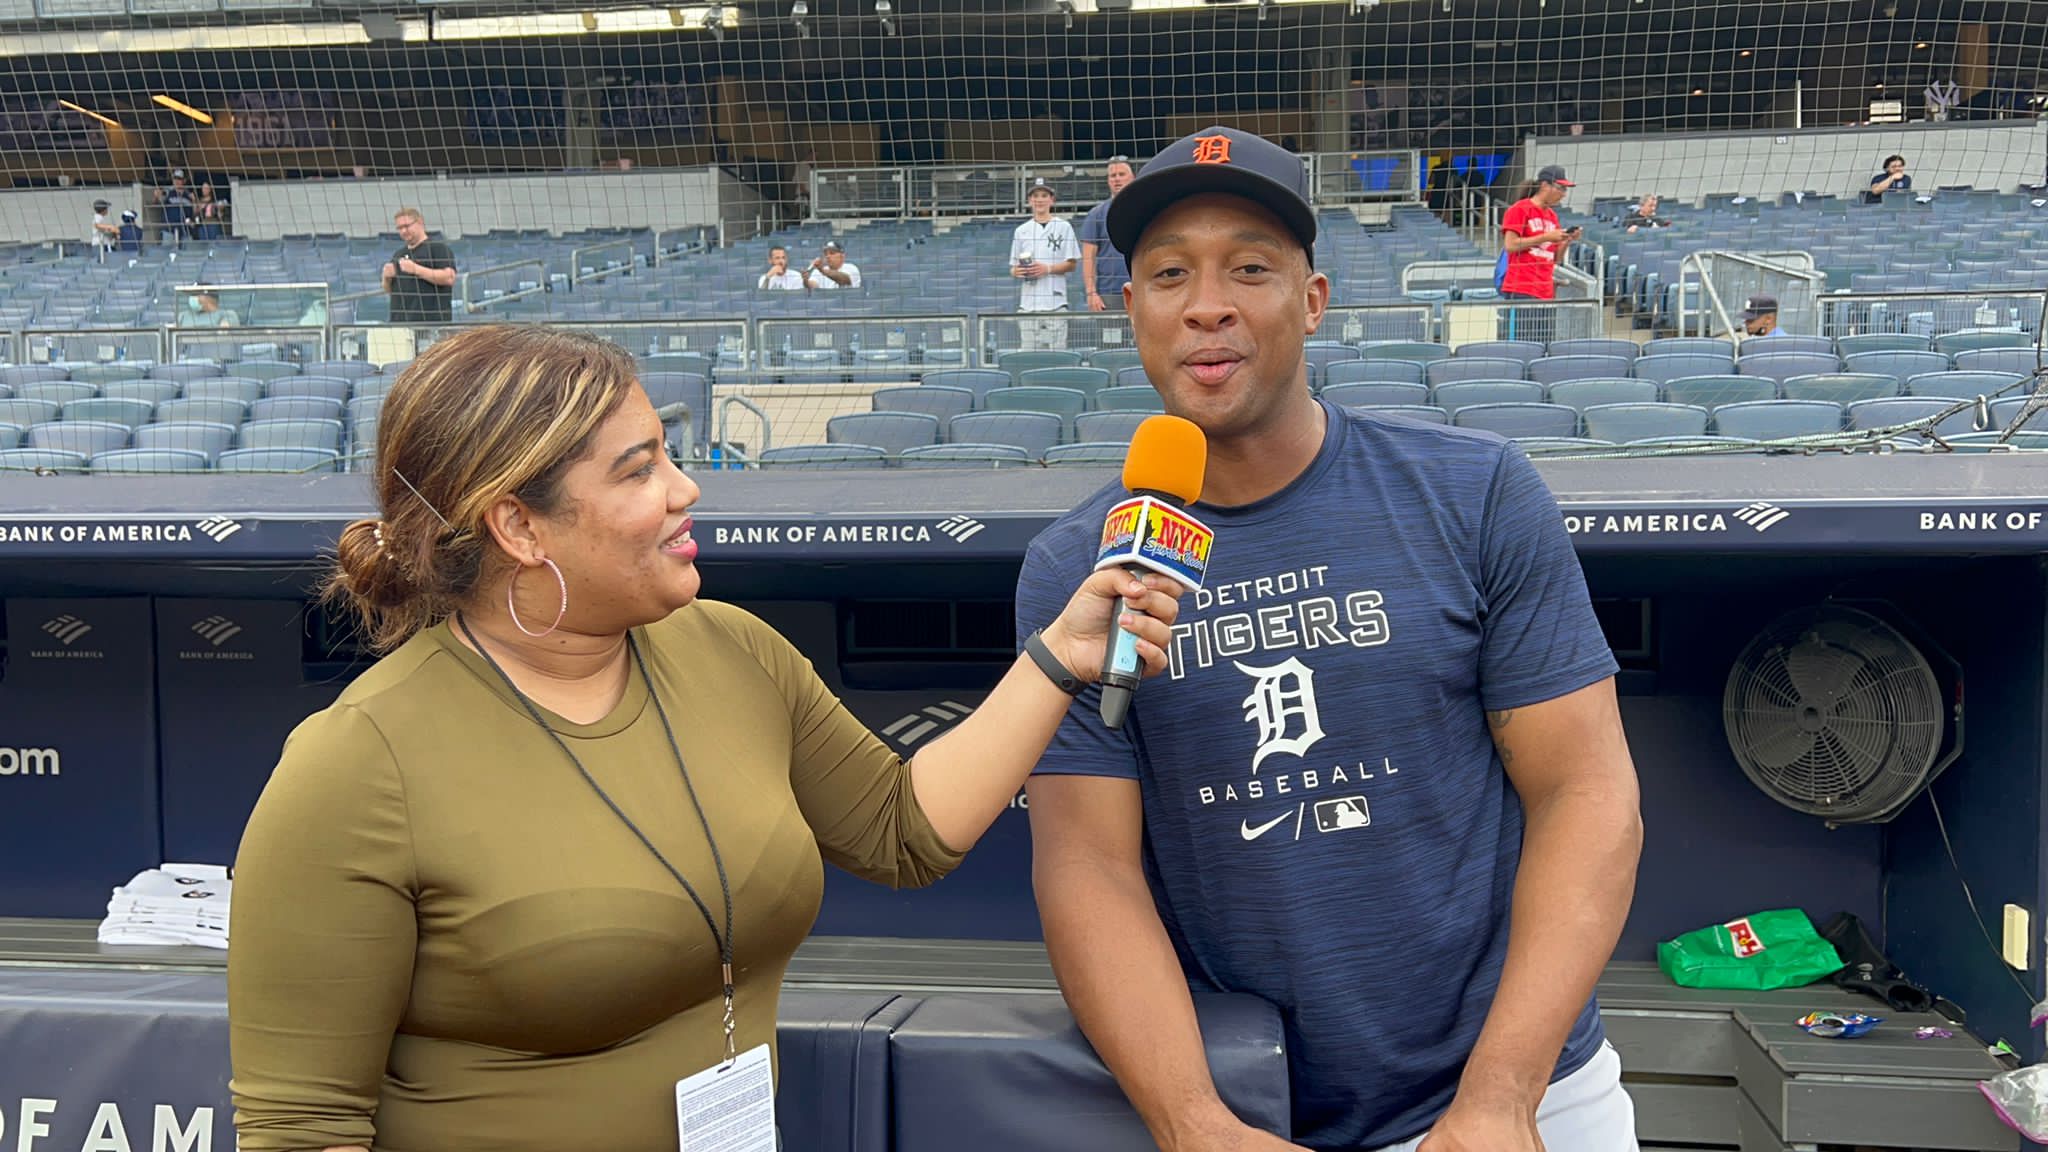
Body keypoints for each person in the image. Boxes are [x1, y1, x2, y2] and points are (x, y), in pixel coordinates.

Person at [227, 324, 1183, 1152]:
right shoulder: (357, 762)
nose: (689, 489)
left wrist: (1060, 654)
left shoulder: (731, 650)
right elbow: (301, 1127)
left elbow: (903, 831)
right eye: (639, 469)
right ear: (518, 524)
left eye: (669, 454)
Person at [1016, 127, 1644, 1152]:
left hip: (1524, 1097)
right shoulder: (1076, 569)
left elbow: (1587, 795)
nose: (1206, 303)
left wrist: (1499, 1100)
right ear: (1130, 311)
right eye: (1168, 273)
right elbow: (1088, 867)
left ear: (1310, 301)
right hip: (1251, 1110)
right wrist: (1190, 1123)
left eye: (1249, 268)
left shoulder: (1473, 490)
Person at [1499, 165, 1579, 345]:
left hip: (1545, 290)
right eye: (1561, 188)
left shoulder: (1551, 215)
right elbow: (1510, 245)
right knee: (1522, 345)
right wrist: (1545, 237)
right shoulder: (1519, 209)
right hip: (1522, 289)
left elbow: (1555, 258)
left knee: (1544, 344)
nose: (1564, 194)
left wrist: (1566, 240)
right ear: (1545, 185)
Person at [1011, 177, 1077, 350]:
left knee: (1058, 352)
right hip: (1028, 303)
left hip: (1055, 301)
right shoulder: (1021, 231)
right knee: (1028, 354)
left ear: (1052, 199)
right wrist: (1017, 271)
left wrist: (1046, 269)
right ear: (1029, 200)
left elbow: (1071, 264)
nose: (1039, 199)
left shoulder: (1064, 227)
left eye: (1044, 195)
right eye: (1035, 195)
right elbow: (1013, 267)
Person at [1079, 156, 1137, 312]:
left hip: (1141, 290)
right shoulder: (1096, 214)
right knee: (1110, 336)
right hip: (1108, 293)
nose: (1117, 179)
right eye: (1113, 175)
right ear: (1108, 180)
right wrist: (1091, 293)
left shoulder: (1144, 208)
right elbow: (1088, 257)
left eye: (1122, 174)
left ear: (1133, 177)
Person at [382, 207, 458, 324]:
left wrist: (416, 269)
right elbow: (389, 290)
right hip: (400, 325)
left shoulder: (438, 248)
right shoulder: (398, 254)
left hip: (431, 325)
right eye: (400, 228)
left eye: (407, 226)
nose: (403, 231)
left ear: (420, 222)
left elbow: (449, 277)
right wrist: (386, 278)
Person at [88, 198, 116, 262]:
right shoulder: (98, 217)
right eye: (106, 208)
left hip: (102, 245)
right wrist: (111, 227)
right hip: (100, 245)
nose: (107, 210)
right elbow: (97, 225)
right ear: (103, 210)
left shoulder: (101, 218)